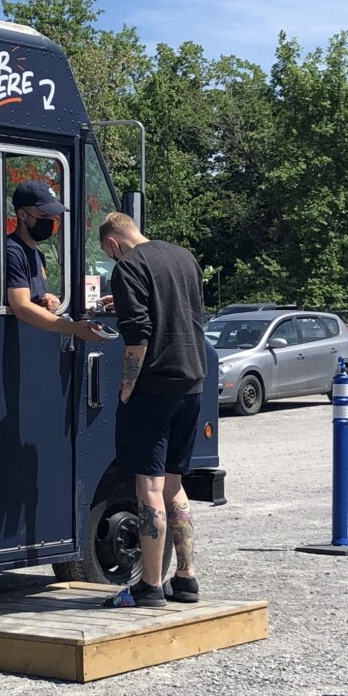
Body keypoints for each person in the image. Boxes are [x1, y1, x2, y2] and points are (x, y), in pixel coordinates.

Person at [96, 211, 206, 608]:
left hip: (153, 387)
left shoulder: (127, 267)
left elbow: (139, 336)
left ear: (113, 243)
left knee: (150, 487)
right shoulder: (183, 257)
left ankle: (150, 585)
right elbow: (179, 313)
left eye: (109, 254)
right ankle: (186, 578)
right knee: (175, 484)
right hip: (192, 382)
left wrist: (127, 386)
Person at [3, 179, 108, 343]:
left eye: (52, 216)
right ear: (22, 214)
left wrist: (47, 298)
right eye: (43, 215)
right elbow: (21, 306)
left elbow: (31, 297)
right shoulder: (11, 251)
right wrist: (74, 328)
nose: (50, 221)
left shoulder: (38, 254)